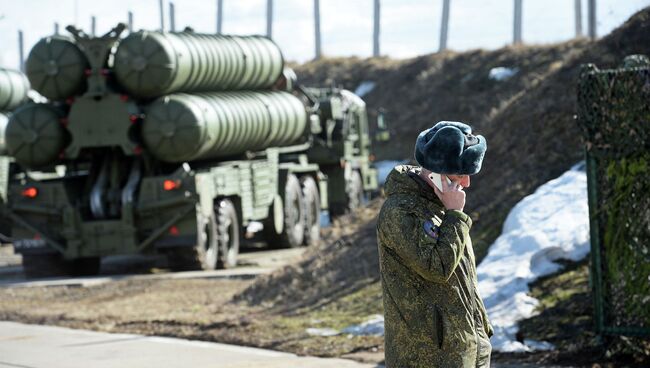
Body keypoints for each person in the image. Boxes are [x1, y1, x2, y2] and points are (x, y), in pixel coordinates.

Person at [377, 121, 493, 367]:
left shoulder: (442, 207)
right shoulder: (401, 212)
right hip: (428, 357)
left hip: (464, 348)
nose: (466, 184)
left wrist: (481, 330)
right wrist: (455, 215)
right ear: (435, 173)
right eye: (460, 175)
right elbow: (437, 268)